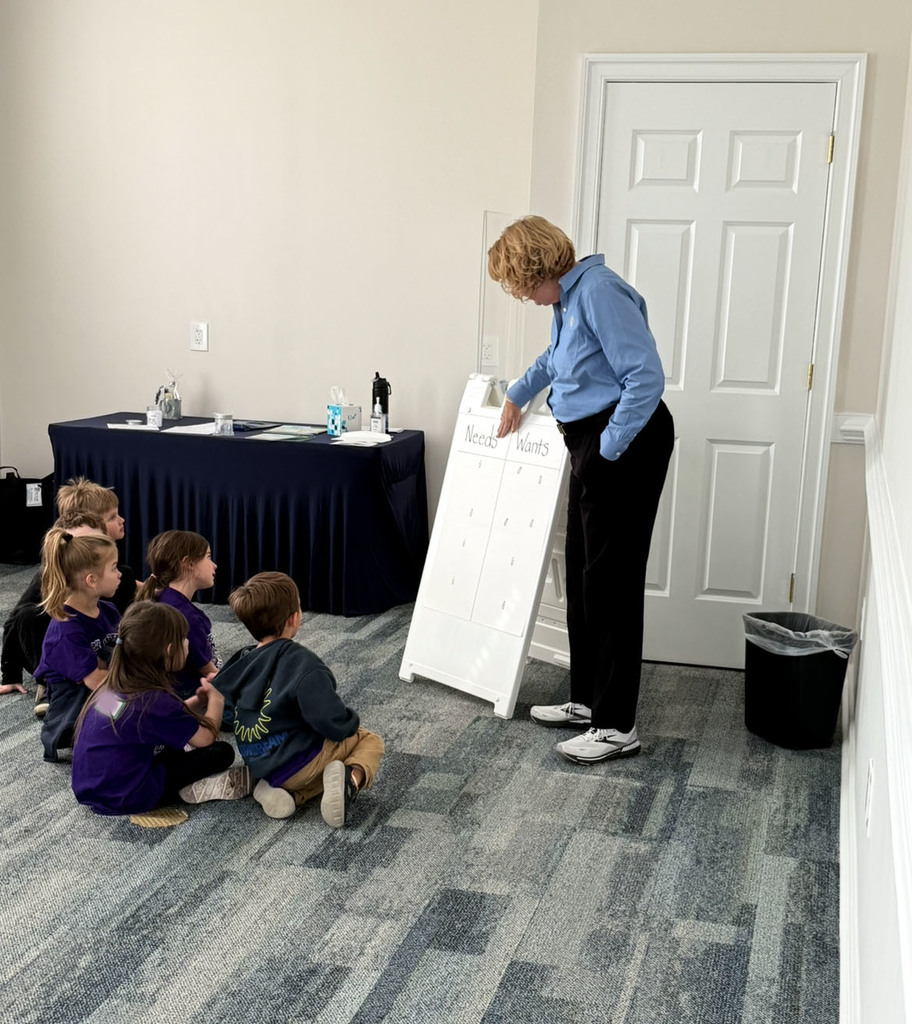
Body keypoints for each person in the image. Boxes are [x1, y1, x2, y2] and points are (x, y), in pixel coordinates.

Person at [488, 215, 674, 765]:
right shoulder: (566, 301)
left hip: (624, 442)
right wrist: (517, 394)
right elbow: (556, 359)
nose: (522, 296)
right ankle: (589, 700)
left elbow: (645, 377)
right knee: (583, 571)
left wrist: (609, 450)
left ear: (541, 266)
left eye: (522, 285)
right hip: (593, 444)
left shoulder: (599, 291)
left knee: (611, 582)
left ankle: (617, 726)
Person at [214, 571, 384, 827]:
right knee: (370, 741)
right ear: (294, 618)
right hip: (301, 761)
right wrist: (351, 724)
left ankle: (287, 794)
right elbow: (330, 721)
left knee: (317, 760)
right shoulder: (302, 664)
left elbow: (227, 713)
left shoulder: (241, 660)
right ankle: (350, 782)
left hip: (261, 764)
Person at [71, 602, 250, 816]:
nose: (187, 643)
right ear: (169, 650)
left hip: (93, 788)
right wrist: (216, 702)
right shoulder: (154, 700)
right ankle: (185, 790)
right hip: (128, 795)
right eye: (184, 638)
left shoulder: (110, 689)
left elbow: (154, 721)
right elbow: (206, 738)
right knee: (221, 752)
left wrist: (197, 702)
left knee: (176, 740)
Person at [34, 528, 123, 762]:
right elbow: (94, 682)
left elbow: (123, 646)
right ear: (91, 580)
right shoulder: (65, 629)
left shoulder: (108, 610)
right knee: (125, 714)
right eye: (114, 568)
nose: (120, 574)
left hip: (100, 678)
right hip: (76, 694)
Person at [1, 510, 106, 699]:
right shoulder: (48, 577)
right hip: (68, 674)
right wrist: (10, 675)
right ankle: (49, 686)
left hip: (96, 653)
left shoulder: (110, 580)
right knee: (27, 614)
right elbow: (15, 619)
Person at [135, 531, 219, 699]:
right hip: (191, 694)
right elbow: (211, 673)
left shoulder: (165, 597)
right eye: (208, 557)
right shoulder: (185, 618)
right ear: (188, 563)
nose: (214, 565)